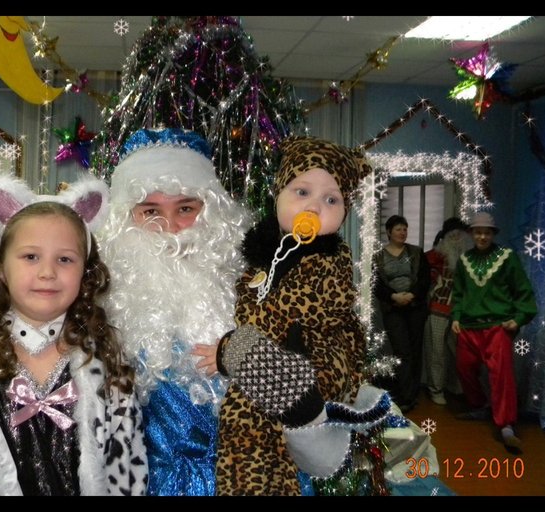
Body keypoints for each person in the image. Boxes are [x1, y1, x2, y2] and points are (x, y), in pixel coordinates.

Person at [0, 173, 148, 496]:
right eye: (31, 256)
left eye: (65, 259)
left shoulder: (106, 356)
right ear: (1, 269)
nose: (48, 272)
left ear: (85, 271)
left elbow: (127, 465)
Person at [196, 136, 391, 495]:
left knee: (247, 409)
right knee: (247, 405)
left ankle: (263, 480)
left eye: (331, 200)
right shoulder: (264, 255)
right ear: (278, 194)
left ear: (344, 212)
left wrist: (230, 348)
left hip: (319, 362)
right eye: (302, 192)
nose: (314, 207)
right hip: (277, 360)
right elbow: (249, 305)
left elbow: (286, 312)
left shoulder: (329, 260)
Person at [97, 128, 252, 495]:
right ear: (124, 220)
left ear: (212, 214)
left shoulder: (254, 298)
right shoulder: (100, 313)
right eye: (150, 211)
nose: (169, 228)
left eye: (185, 208)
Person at [451, 211, 537, 454]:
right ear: (471, 233)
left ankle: (506, 426)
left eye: (486, 232)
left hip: (497, 327)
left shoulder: (507, 257)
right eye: (478, 232)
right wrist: (456, 317)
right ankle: (479, 406)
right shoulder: (465, 259)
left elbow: (523, 291)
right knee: (464, 367)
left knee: (502, 376)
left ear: (493, 234)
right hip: (469, 326)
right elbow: (458, 293)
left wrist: (518, 319)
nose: (482, 236)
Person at [373, 215, 430, 413]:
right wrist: (394, 296)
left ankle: (412, 394)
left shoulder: (416, 252)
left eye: (405, 229)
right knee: (401, 351)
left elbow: (424, 279)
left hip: (415, 306)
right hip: (393, 308)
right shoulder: (378, 257)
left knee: (415, 349)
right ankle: (405, 395)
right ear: (389, 232)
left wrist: (411, 295)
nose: (402, 232)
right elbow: (376, 284)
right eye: (398, 229)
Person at [423, 217, 471, 405]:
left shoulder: (470, 257)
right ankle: (436, 389)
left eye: (460, 235)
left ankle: (456, 387)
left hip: (462, 312)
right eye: (453, 235)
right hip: (437, 309)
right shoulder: (434, 255)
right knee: (437, 352)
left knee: (459, 353)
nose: (456, 238)